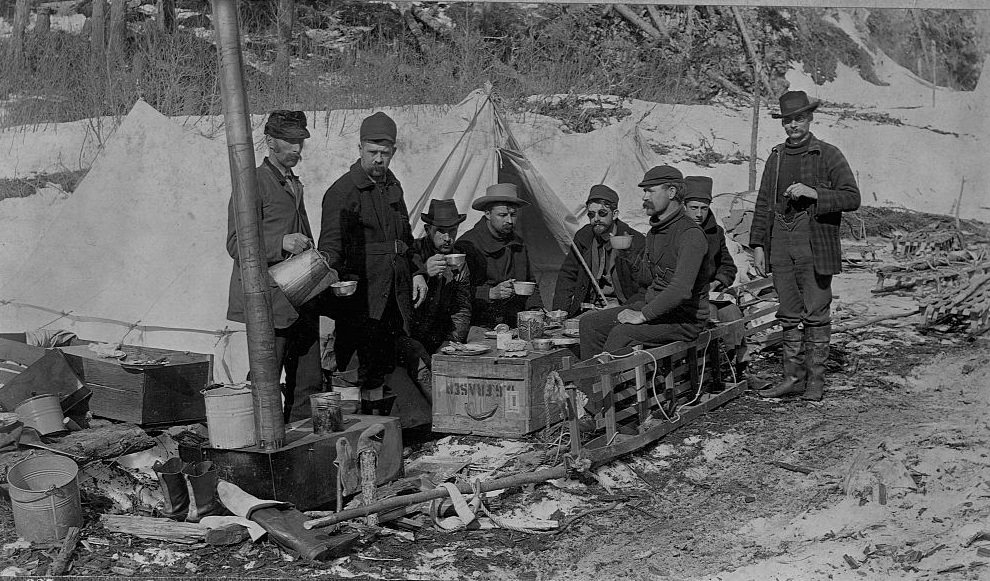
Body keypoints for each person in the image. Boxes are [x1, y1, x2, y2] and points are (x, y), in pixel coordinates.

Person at [750, 90, 861, 401]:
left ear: (810, 118)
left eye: (799, 118)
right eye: (788, 120)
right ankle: (792, 378)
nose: (793, 125)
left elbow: (852, 197)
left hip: (814, 242)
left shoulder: (828, 154)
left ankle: (815, 381)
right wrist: (758, 244)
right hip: (780, 242)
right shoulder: (776, 157)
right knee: (788, 313)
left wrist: (814, 193)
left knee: (815, 313)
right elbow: (762, 204)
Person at [318, 112, 428, 413]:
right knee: (351, 370)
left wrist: (417, 272)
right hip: (360, 298)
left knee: (377, 368)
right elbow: (329, 247)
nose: (379, 159)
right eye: (373, 152)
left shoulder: (394, 187)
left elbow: (405, 237)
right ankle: (352, 437)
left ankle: (377, 434)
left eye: (385, 153)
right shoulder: (342, 192)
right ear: (360, 149)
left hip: (391, 296)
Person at [225, 110, 321, 423]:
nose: (297, 148)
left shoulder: (292, 182)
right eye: (289, 141)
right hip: (268, 299)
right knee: (266, 377)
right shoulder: (252, 182)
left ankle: (304, 442)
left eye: (300, 141)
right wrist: (281, 243)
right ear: (269, 141)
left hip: (300, 292)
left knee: (307, 380)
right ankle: (255, 440)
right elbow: (236, 243)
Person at [579, 165, 710, 359]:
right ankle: (590, 387)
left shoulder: (690, 235)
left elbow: (681, 289)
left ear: (671, 192)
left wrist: (643, 315)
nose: (644, 197)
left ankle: (613, 386)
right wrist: (627, 253)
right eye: (644, 191)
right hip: (658, 310)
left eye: (650, 190)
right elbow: (646, 278)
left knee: (622, 333)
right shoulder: (655, 233)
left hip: (684, 320)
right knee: (589, 323)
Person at [395, 199, 473, 404]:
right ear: (428, 229)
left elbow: (462, 308)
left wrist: (453, 341)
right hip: (408, 336)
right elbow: (401, 305)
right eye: (441, 231)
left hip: (439, 336)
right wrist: (424, 273)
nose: (448, 238)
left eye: (453, 231)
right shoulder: (413, 256)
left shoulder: (458, 263)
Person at [454, 183, 543, 330]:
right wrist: (490, 293)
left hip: (514, 322)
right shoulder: (468, 244)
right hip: (479, 324)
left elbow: (530, 283)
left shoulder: (518, 243)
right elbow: (456, 293)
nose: (509, 220)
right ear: (487, 214)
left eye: (513, 215)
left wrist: (536, 309)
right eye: (502, 215)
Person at [552, 184, 645, 318]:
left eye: (602, 213)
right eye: (591, 214)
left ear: (615, 214)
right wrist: (561, 310)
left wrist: (625, 307)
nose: (596, 219)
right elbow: (567, 275)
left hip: (622, 308)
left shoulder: (634, 241)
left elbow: (644, 288)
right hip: (589, 307)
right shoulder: (584, 237)